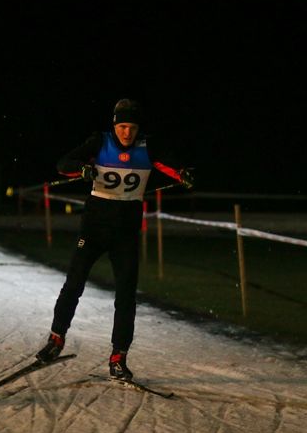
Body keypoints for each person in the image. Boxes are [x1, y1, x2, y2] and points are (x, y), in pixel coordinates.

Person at [35, 98, 193, 380]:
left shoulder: (147, 147)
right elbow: (63, 164)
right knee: (74, 283)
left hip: (126, 233)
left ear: (138, 128)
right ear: (114, 126)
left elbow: (173, 167)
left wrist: (183, 174)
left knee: (126, 295)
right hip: (94, 228)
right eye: (122, 127)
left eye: (132, 127)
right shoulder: (100, 142)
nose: (127, 133)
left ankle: (119, 357)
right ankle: (56, 339)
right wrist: (82, 168)